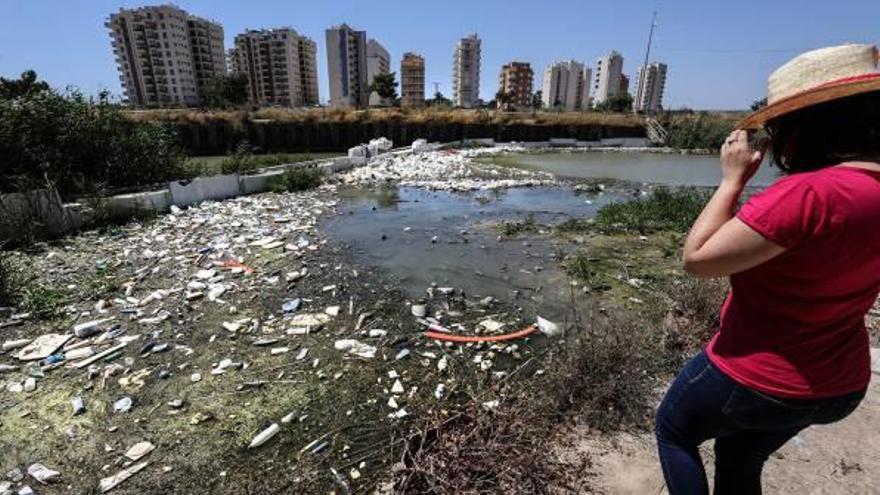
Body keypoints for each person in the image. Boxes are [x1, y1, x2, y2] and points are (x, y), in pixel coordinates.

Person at [654, 43, 880, 495]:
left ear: (803, 126)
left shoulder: (808, 194)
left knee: (674, 430)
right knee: (741, 454)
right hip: (841, 385)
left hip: (758, 376)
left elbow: (697, 259)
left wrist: (732, 180)